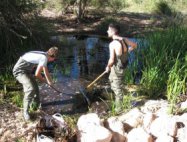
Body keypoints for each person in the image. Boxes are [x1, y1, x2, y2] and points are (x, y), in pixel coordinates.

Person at [13, 47, 59, 121]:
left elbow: (45, 70)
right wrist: (46, 81)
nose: (53, 60)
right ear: (52, 56)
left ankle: (36, 105)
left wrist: (50, 81)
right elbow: (37, 74)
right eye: (54, 59)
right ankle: (25, 112)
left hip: (27, 71)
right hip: (19, 71)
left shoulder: (44, 55)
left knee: (36, 88)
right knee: (30, 88)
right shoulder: (44, 58)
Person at [105, 23, 137, 112]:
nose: (107, 31)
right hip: (124, 67)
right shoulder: (125, 40)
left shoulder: (113, 44)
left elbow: (111, 60)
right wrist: (128, 50)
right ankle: (115, 103)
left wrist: (107, 67)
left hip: (117, 69)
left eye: (108, 30)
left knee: (117, 88)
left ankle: (118, 110)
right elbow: (134, 45)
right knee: (114, 82)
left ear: (112, 31)